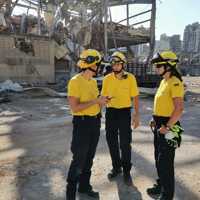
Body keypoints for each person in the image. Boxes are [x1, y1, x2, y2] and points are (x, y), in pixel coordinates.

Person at [66, 49, 108, 200]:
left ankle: (84, 187)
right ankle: (70, 194)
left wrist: (102, 102)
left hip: (94, 122)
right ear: (90, 65)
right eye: (98, 64)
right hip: (82, 124)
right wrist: (96, 101)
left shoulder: (92, 82)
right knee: (79, 159)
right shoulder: (75, 81)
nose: (100, 67)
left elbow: (94, 103)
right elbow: (75, 107)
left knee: (89, 157)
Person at [146, 51, 184, 200]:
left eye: (159, 65)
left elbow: (179, 109)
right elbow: (162, 104)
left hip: (171, 126)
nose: (156, 68)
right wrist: (155, 119)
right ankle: (160, 185)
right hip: (160, 123)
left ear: (169, 66)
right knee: (159, 158)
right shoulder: (164, 81)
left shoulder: (175, 82)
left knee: (166, 162)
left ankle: (167, 195)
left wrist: (167, 127)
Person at [101, 51, 140, 185]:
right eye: (113, 64)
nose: (115, 66)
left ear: (123, 64)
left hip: (124, 112)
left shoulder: (130, 78)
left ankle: (127, 171)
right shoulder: (107, 79)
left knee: (125, 142)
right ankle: (116, 168)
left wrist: (136, 114)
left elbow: (135, 96)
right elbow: (103, 97)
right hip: (111, 112)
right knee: (111, 141)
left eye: (118, 64)